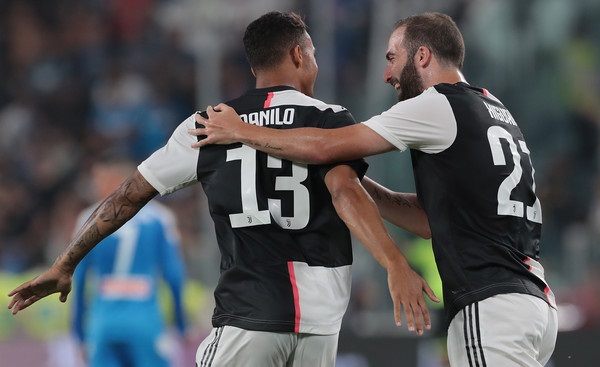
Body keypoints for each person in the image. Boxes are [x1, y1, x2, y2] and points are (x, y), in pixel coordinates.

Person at [8, 11, 438, 367]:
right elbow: (346, 190)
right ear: (297, 54)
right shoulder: (330, 119)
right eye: (313, 54)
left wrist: (66, 262)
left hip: (247, 318)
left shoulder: (209, 124)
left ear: (254, 67)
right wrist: (394, 263)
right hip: (320, 324)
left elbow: (130, 194)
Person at [190, 12, 558, 367]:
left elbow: (325, 146)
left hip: (491, 304)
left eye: (392, 58)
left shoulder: (436, 103)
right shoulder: (493, 108)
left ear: (423, 55)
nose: (386, 74)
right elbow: (431, 221)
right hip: (533, 303)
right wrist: (349, 180)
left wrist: (241, 131)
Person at [71, 155, 187, 367]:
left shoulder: (87, 219)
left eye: (100, 178)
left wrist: (78, 333)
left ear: (118, 181)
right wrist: (181, 323)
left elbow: (76, 281)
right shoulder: (160, 218)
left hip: (103, 323)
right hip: (145, 321)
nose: (95, 185)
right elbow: (174, 275)